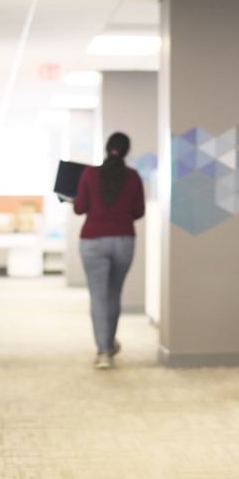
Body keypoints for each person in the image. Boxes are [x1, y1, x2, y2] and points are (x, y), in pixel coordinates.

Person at [73, 132, 145, 369]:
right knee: (114, 294)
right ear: (127, 151)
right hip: (123, 240)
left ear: (106, 148)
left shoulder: (90, 174)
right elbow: (138, 211)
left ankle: (103, 351)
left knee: (98, 296)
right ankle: (109, 345)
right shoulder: (133, 177)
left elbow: (80, 208)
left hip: (93, 241)